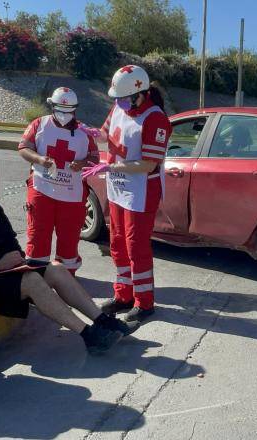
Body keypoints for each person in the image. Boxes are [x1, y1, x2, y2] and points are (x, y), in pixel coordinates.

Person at [0, 156, 135, 354]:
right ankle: (89, 335)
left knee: (57, 269)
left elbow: (10, 238)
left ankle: (103, 322)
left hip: (7, 269)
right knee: (32, 280)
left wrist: (17, 257)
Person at [81, 65, 172, 323]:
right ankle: (123, 295)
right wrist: (86, 132)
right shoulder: (119, 107)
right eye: (116, 99)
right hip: (119, 187)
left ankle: (145, 303)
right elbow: (104, 134)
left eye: (122, 98)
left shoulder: (156, 119)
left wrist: (109, 166)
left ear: (139, 94)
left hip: (141, 192)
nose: (118, 103)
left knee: (136, 246)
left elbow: (147, 165)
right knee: (118, 242)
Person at [18, 87, 99, 274]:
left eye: (69, 111)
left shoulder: (84, 132)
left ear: (75, 110)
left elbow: (95, 157)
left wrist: (83, 163)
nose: (64, 115)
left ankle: (66, 276)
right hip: (41, 188)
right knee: (38, 234)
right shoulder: (39, 124)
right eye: (60, 111)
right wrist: (39, 159)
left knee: (69, 237)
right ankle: (37, 275)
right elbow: (23, 147)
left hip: (72, 193)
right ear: (52, 107)